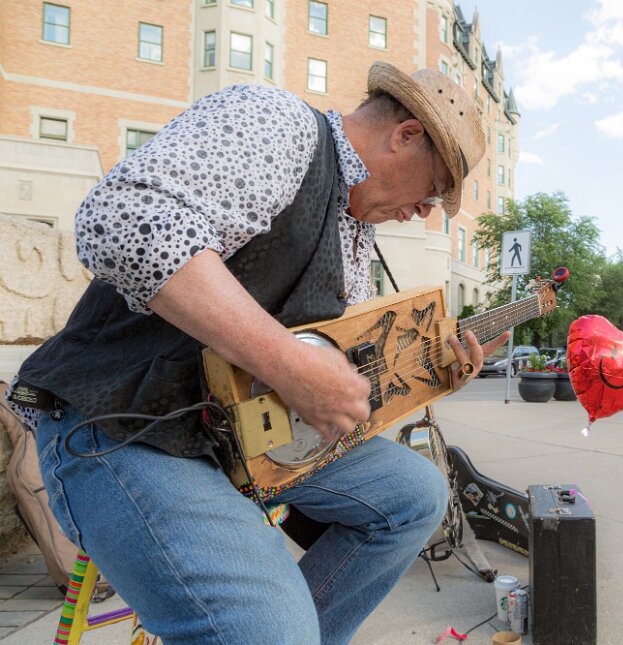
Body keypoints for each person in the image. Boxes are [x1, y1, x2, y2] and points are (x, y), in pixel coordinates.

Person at [4, 63, 509, 645]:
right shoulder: (276, 123)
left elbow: (334, 373)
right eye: (434, 189)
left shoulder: (355, 229)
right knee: (271, 629)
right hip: (123, 426)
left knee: (415, 495)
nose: (425, 212)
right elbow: (123, 221)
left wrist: (436, 373)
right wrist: (288, 363)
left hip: (237, 444)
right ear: (407, 135)